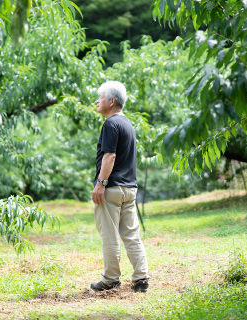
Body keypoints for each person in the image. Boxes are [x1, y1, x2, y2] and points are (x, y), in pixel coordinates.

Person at [90, 81, 149, 293]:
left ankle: (110, 279)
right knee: (132, 234)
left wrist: (100, 184)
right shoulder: (127, 124)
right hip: (129, 189)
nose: (97, 101)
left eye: (100, 97)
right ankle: (141, 278)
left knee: (110, 235)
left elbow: (110, 156)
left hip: (112, 189)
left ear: (112, 101)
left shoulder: (110, 124)